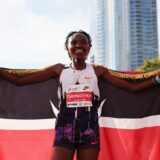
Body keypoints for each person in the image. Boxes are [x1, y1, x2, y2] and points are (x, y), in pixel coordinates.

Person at [0, 30, 160, 160]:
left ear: (89, 47)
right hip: (64, 130)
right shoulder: (59, 70)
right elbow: (21, 81)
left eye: (83, 42)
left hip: (89, 131)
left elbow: (131, 88)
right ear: (67, 48)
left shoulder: (98, 71)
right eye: (74, 42)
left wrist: (157, 80)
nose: (79, 45)